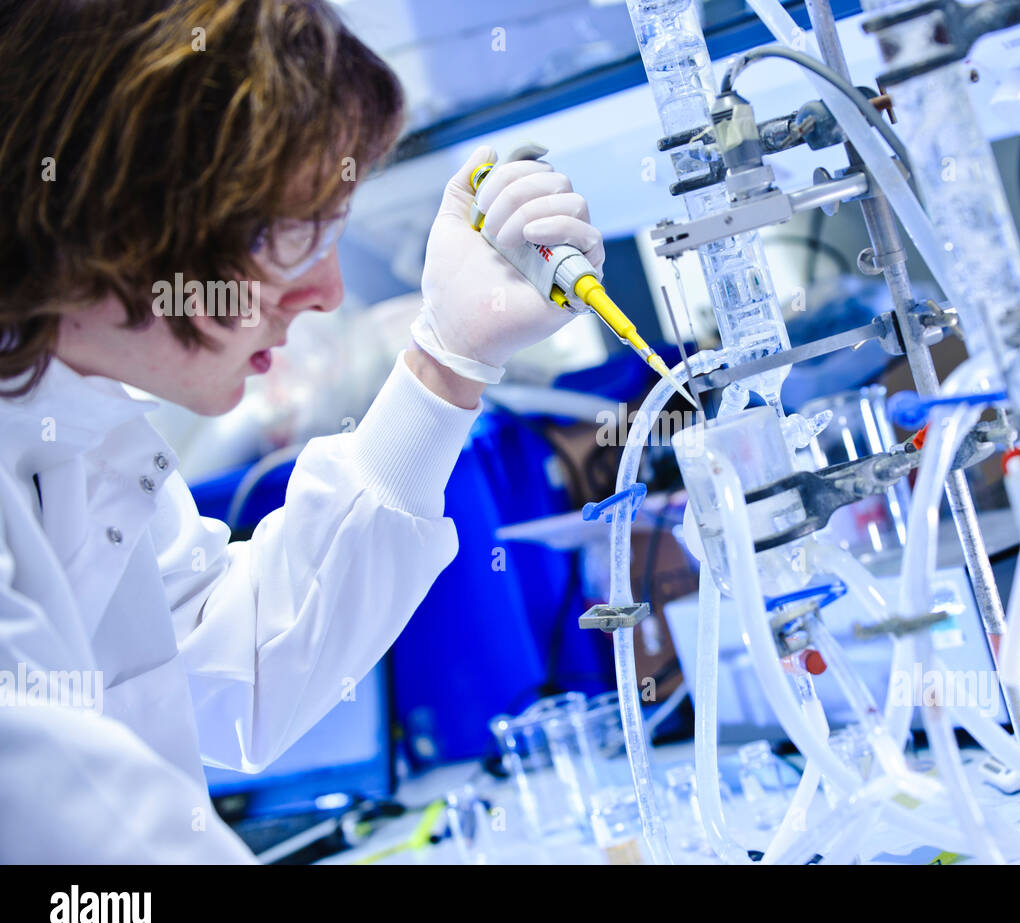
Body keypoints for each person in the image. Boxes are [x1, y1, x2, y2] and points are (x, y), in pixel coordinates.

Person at [0, 0, 606, 862]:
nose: (325, 291)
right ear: (112, 215)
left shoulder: (81, 429)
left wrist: (447, 358)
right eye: (280, 233)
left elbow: (239, 669)